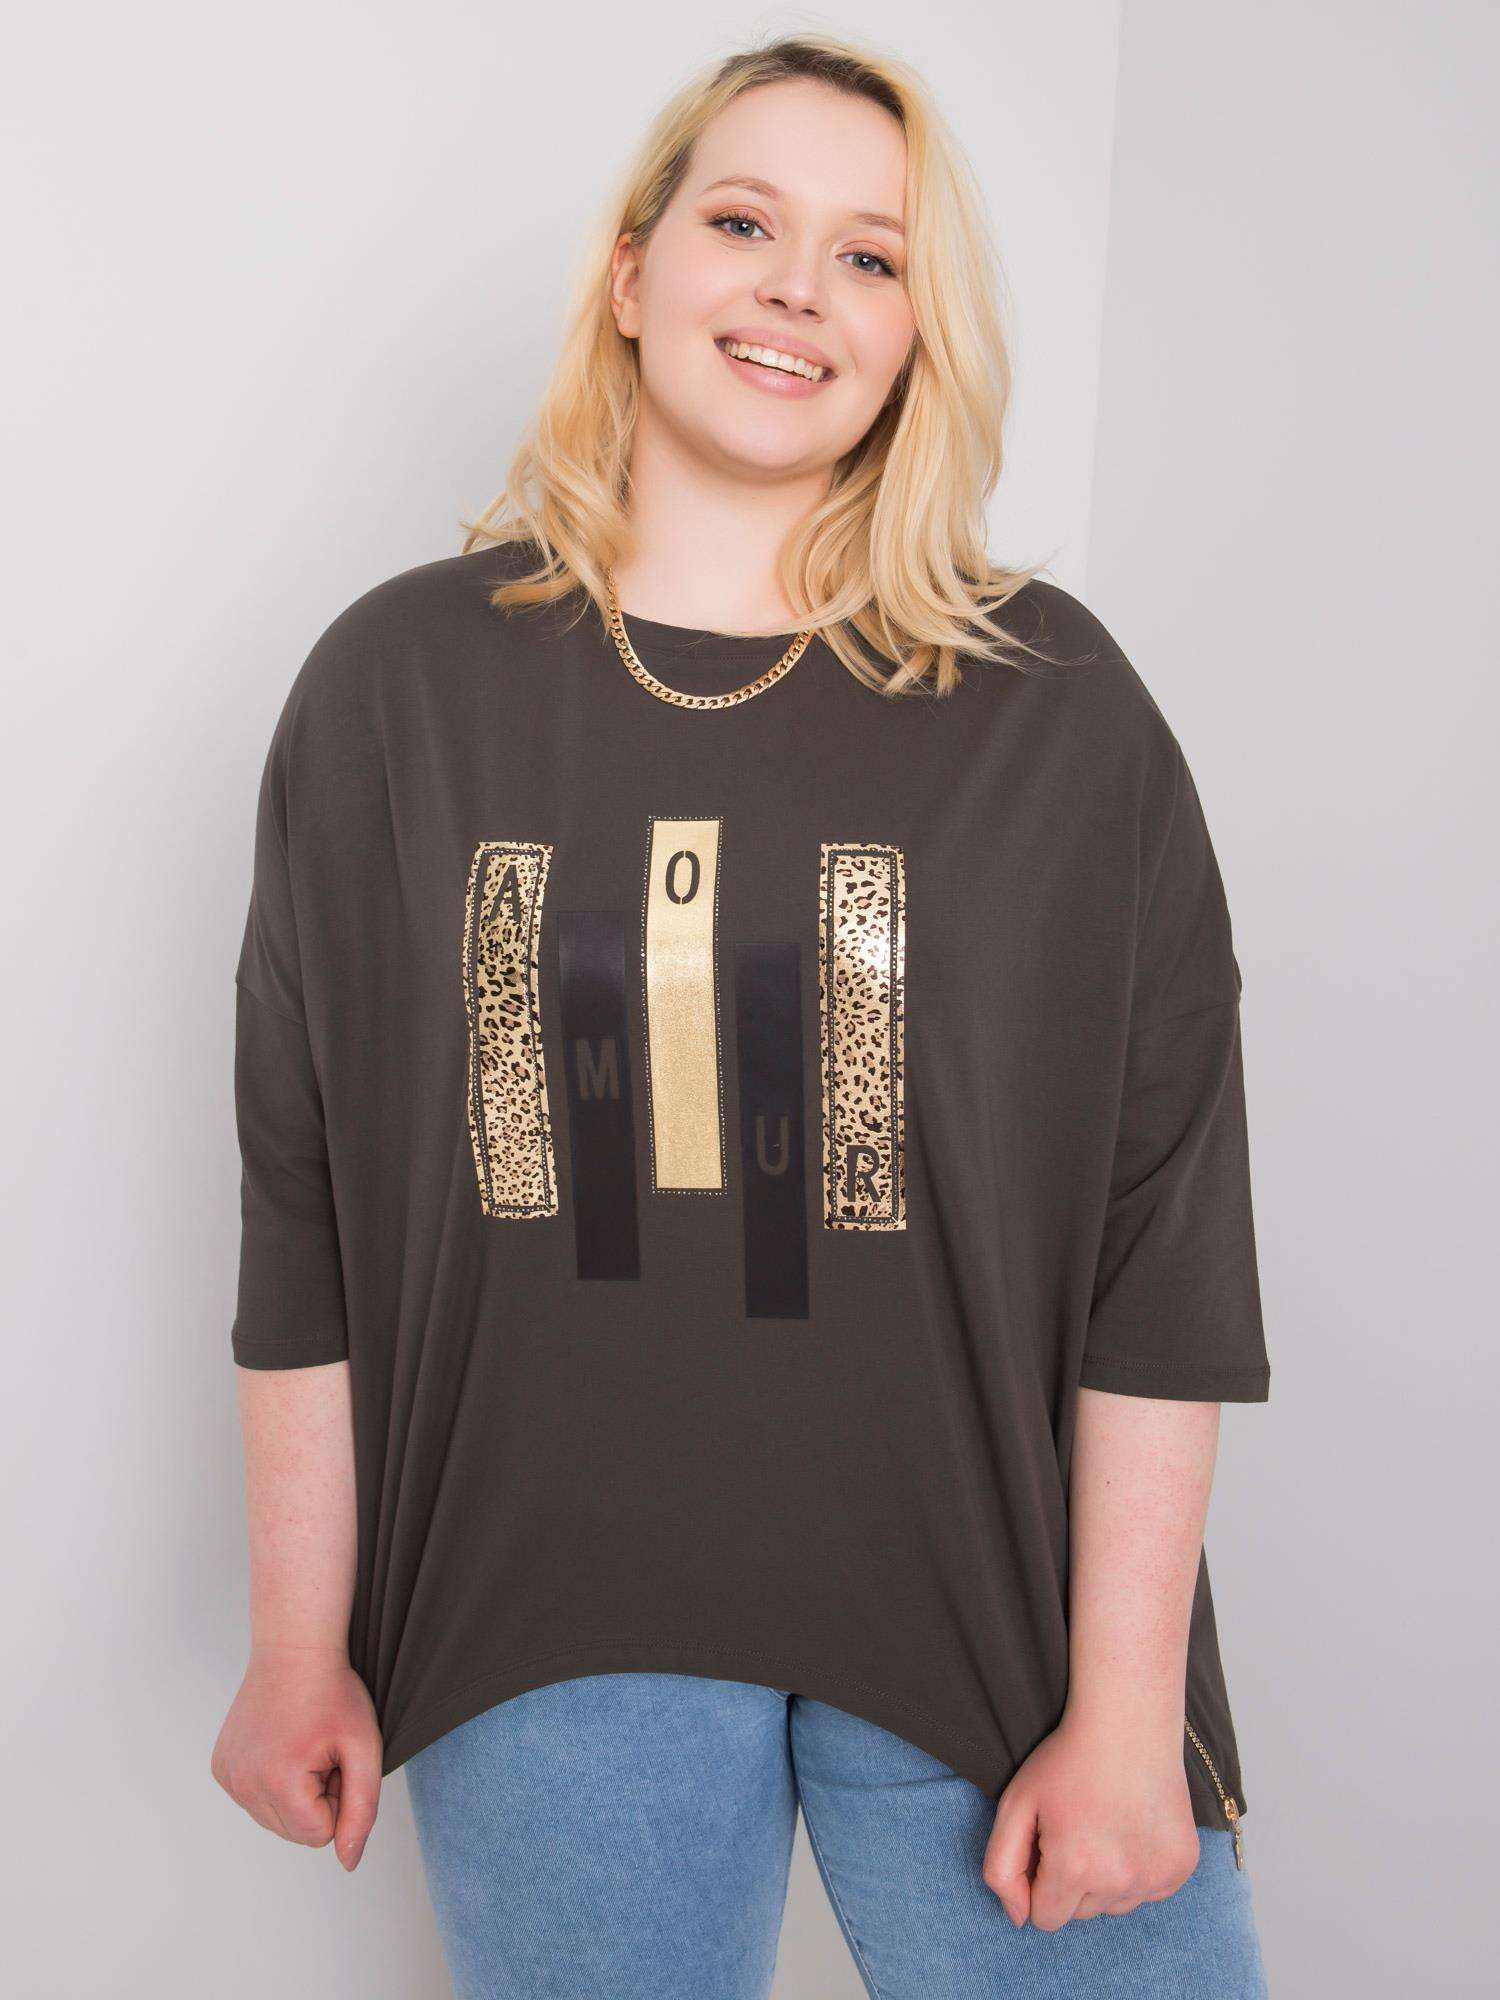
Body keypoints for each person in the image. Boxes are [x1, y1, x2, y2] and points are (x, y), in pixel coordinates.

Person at [211, 32, 1271, 2000]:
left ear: (917, 333)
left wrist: (1129, 1708)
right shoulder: (398, 692)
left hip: (998, 1616)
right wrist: (297, 1641)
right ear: (632, 272)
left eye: (871, 257)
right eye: (744, 223)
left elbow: (1166, 1235)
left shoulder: (1055, 713)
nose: (800, 289)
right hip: (543, 1610)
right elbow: (309, 1196)